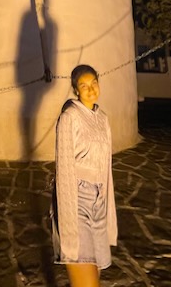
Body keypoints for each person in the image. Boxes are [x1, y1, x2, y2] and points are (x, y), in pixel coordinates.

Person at [51, 64, 117, 287]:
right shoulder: (69, 117)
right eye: (84, 85)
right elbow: (65, 168)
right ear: (76, 89)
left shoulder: (103, 119)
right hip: (77, 199)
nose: (90, 89)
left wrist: (107, 207)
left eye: (94, 83)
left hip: (98, 202)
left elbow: (106, 167)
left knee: (94, 274)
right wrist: (67, 219)